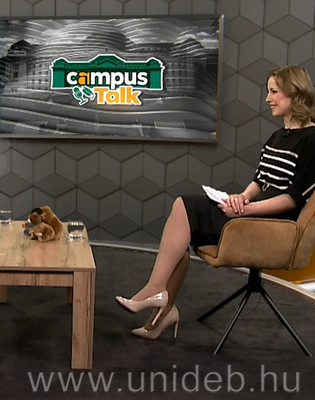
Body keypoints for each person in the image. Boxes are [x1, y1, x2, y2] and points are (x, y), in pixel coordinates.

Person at [115, 65, 315, 339]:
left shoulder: (311, 139)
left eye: (274, 92)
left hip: (275, 225)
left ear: (295, 93)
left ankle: (156, 291)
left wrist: (246, 209)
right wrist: (241, 198)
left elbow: (293, 198)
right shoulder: (277, 136)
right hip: (253, 211)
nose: (268, 98)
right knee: (184, 227)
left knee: (185, 206)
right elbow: (259, 181)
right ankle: (161, 312)